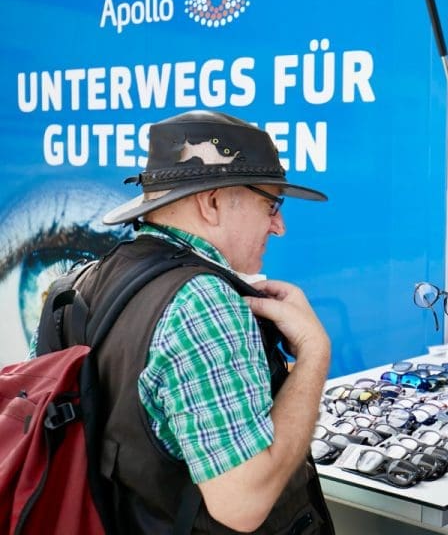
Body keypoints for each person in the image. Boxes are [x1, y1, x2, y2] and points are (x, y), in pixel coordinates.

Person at [84, 110, 334, 533]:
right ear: (212, 202)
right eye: (271, 204)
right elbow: (243, 502)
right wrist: (314, 354)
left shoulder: (87, 280)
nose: (280, 226)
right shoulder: (203, 303)